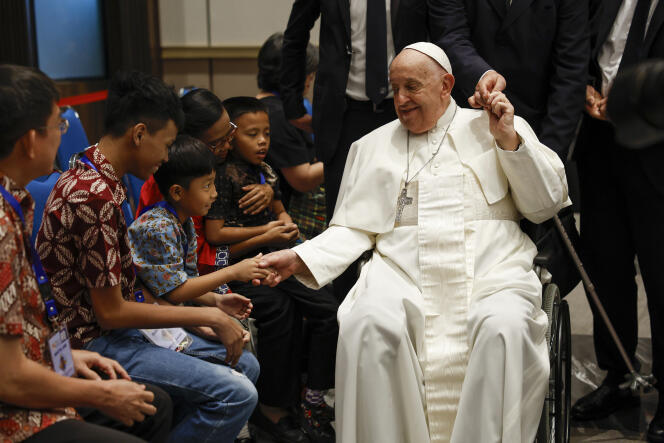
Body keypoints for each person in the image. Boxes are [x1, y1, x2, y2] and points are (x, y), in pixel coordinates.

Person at [259, 43, 570, 443]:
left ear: (446, 85)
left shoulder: (496, 126)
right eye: (394, 88)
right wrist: (300, 257)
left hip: (491, 271)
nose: (401, 100)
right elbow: (352, 228)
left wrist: (509, 142)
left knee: (503, 327)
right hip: (402, 274)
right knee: (368, 323)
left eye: (412, 86)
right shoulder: (370, 147)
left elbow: (545, 205)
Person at [36, 71, 259, 443]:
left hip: (120, 326)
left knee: (243, 364)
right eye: (167, 143)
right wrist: (205, 314)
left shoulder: (97, 171)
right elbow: (111, 313)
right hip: (93, 340)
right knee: (235, 393)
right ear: (139, 134)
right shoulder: (94, 195)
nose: (167, 156)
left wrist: (208, 306)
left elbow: (133, 281)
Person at [0, 64, 171, 443]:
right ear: (30, 141)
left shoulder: (15, 201)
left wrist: (63, 359)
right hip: (14, 415)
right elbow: (8, 378)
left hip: (39, 360)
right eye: (57, 126)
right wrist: (100, 394)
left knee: (152, 406)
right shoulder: (2, 224)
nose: (63, 137)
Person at [206, 97, 338, 443]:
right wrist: (267, 232)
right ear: (232, 136)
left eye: (266, 133)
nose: (263, 140)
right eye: (253, 134)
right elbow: (215, 239)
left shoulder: (264, 172)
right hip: (242, 262)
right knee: (310, 309)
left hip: (278, 252)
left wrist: (281, 220)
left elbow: (284, 215)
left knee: (322, 303)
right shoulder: (220, 176)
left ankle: (299, 396)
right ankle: (295, 402)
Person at [280, 0, 432, 301]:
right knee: (345, 220)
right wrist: (292, 101)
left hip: (405, 110)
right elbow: (296, 32)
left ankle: (410, 310)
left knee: (409, 217)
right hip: (344, 115)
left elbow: (444, 33)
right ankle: (349, 322)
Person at [570, 1, 664, 441]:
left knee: (661, 276)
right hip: (602, 144)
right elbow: (591, 50)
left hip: (657, 148)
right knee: (606, 267)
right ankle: (620, 376)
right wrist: (586, 88)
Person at [136, 88, 276, 283]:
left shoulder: (218, 159)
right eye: (218, 142)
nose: (228, 145)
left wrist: (268, 187)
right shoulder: (174, 190)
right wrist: (264, 236)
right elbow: (196, 265)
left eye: (230, 133)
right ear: (189, 142)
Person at [432, 0, 590, 159]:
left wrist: (547, 157)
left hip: (535, 126)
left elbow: (571, 71)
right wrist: (481, 74)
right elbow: (449, 34)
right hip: (462, 119)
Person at [256, 33, 326, 242]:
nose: (310, 82)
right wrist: (341, 153)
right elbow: (302, 179)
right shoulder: (278, 116)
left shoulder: (261, 104)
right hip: (285, 220)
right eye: (310, 76)